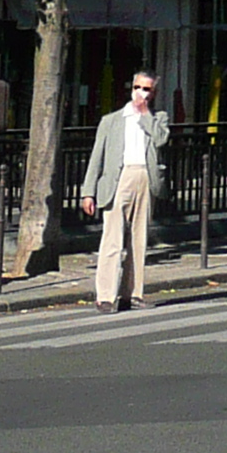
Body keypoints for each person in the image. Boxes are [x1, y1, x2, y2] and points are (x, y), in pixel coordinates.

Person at [82, 71, 168, 312]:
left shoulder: (158, 118)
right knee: (112, 238)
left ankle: (133, 293)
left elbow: (161, 140)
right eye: (138, 87)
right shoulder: (112, 120)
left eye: (147, 89)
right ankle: (105, 296)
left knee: (139, 239)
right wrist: (88, 191)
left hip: (144, 176)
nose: (142, 92)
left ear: (154, 93)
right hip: (117, 179)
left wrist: (145, 115)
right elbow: (96, 157)